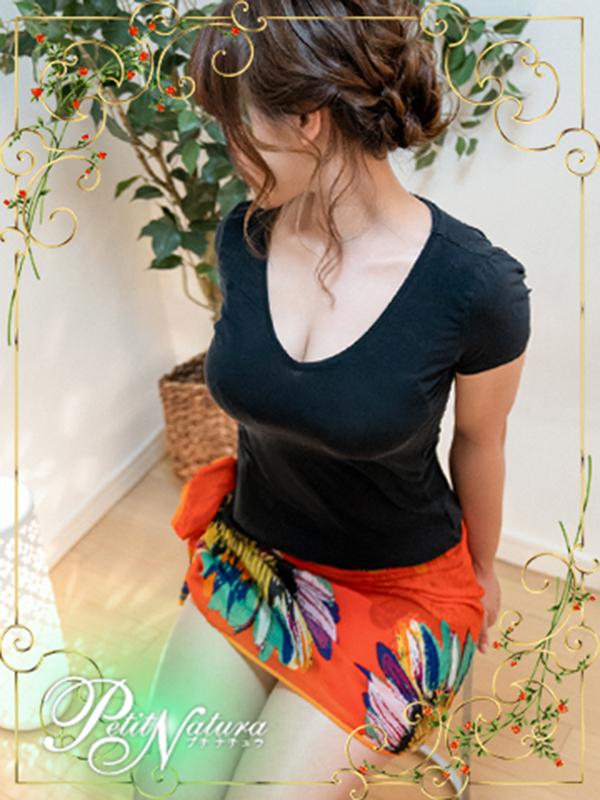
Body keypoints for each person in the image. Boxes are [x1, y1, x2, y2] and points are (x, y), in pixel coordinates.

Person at [134, 2, 532, 799]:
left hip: (397, 591)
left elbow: (479, 442)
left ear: (307, 120)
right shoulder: (242, 240)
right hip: (254, 560)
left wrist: (485, 572)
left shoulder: (476, 287)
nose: (227, 146)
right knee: (158, 783)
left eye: (235, 123)